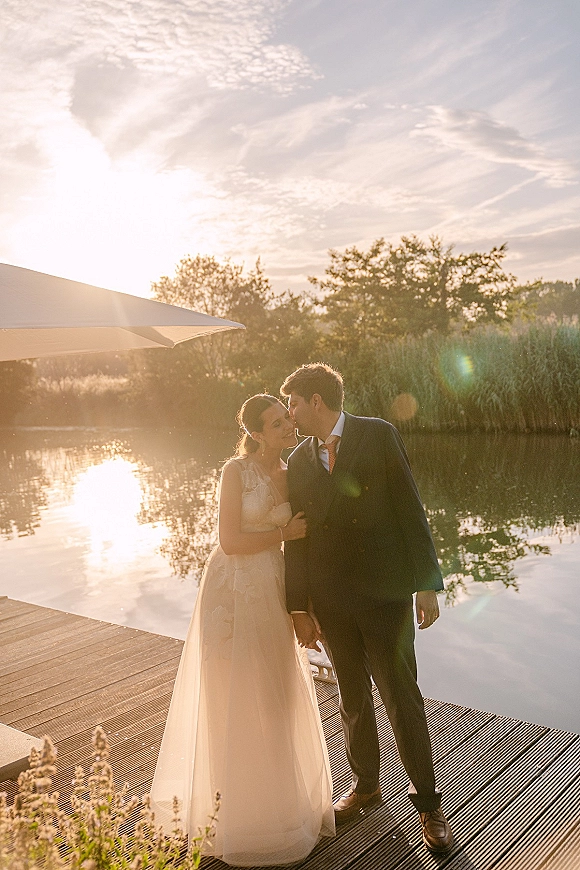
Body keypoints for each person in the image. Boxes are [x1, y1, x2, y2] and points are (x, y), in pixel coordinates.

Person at [150, 394, 335, 867]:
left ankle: (278, 808)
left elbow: (307, 543)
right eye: (276, 425)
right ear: (254, 433)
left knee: (276, 696)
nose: (288, 429)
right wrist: (282, 535)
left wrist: (307, 605)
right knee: (231, 694)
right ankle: (229, 813)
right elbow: (229, 541)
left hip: (274, 589)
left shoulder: (294, 471)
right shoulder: (235, 472)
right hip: (233, 592)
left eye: (287, 421)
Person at [280, 363, 454, 854]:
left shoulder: (377, 435)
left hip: (385, 595)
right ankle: (365, 788)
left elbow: (409, 506)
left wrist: (425, 583)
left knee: (402, 695)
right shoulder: (298, 459)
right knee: (353, 698)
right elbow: (298, 541)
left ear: (317, 401)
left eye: (293, 403)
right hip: (331, 601)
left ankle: (430, 810)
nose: (290, 414)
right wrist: (298, 608)